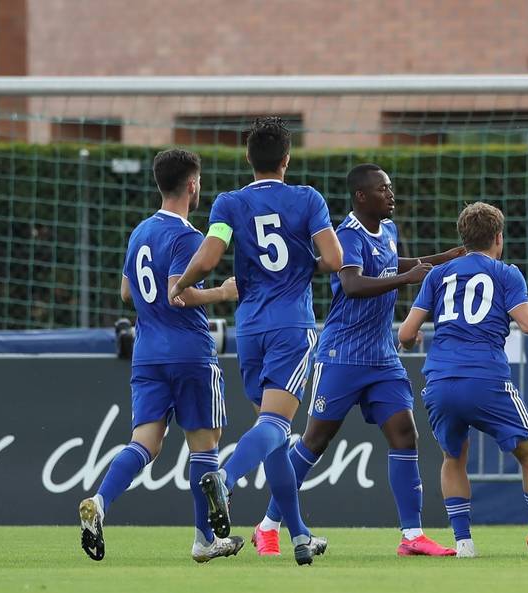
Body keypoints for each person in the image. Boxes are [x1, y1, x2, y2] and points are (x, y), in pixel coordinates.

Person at [250, 163, 463, 557]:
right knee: (315, 440)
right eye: (384, 189)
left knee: (404, 433)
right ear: (362, 196)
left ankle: (412, 536)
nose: (391, 194)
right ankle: (267, 526)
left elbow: (392, 266)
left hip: (381, 355)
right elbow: (352, 284)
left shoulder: (389, 230)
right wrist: (408, 279)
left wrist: (443, 258)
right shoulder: (346, 235)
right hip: (342, 354)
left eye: (391, 187)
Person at [169, 117, 343, 566]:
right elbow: (335, 258)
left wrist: (182, 284)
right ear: (287, 159)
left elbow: (209, 257)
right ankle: (224, 481)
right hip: (291, 327)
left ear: (249, 159)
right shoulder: (308, 200)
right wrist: (305, 259)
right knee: (276, 428)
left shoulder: (229, 203)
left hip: (249, 330)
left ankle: (299, 535)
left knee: (274, 437)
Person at [398, 201, 528, 558]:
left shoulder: (438, 275)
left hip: (439, 380)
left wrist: (413, 338)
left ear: (464, 238)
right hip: (485, 379)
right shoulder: (505, 273)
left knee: (453, 457)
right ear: (498, 238)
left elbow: (407, 333)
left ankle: (464, 544)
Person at [78, 149, 242, 563]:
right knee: (205, 444)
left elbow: (126, 292)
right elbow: (179, 291)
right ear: (192, 185)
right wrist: (222, 292)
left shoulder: (140, 232)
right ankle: (205, 539)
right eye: (199, 182)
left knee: (145, 442)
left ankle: (100, 502)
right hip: (188, 351)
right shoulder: (188, 236)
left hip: (147, 353)